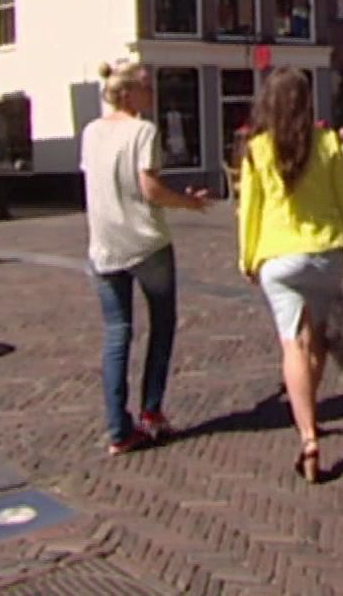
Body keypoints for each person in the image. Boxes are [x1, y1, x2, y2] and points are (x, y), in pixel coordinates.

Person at [236, 67, 343, 484]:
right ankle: (310, 409)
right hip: (325, 252)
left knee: (292, 343)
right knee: (317, 340)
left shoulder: (257, 149)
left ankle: (308, 434)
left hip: (278, 257)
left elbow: (249, 210)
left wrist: (247, 258)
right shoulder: (328, 144)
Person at [81, 60, 210, 456]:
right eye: (145, 86)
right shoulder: (143, 131)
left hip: (104, 245)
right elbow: (149, 188)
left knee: (116, 333)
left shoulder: (91, 131)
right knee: (162, 325)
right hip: (145, 242)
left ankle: (118, 429)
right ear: (128, 93)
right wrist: (188, 203)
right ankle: (151, 411)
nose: (152, 93)